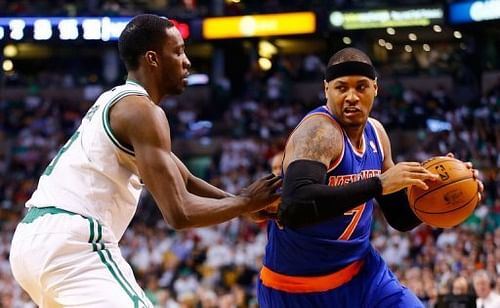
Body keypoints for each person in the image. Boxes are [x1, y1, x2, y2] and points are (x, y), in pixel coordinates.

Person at [9, 14, 281, 308]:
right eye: (177, 51)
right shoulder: (141, 111)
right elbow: (179, 213)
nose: (187, 61)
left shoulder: (117, 100)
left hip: (34, 240)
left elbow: (186, 179)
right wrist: (243, 203)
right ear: (152, 59)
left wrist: (243, 205)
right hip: (72, 242)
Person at [257, 47, 484, 307]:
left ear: (375, 88)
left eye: (361, 86)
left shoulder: (377, 133)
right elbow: (294, 204)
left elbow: (398, 217)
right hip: (296, 286)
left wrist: (444, 194)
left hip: (362, 274)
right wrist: (378, 184)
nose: (352, 96)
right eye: (341, 88)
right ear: (326, 90)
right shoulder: (318, 132)